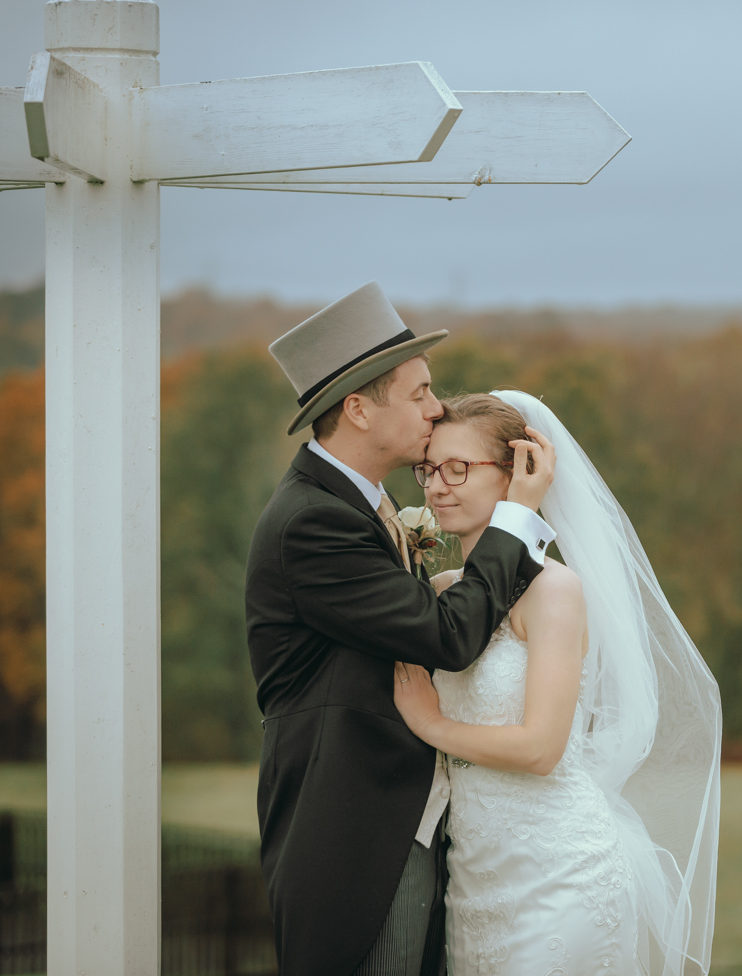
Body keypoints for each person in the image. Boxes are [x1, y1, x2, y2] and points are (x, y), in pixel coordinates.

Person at [245, 282, 558, 976]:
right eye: (418, 392)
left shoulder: (361, 507)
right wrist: (518, 518)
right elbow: (447, 637)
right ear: (357, 408)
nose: (437, 406)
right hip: (357, 834)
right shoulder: (315, 524)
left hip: (405, 827)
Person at [392, 391, 722, 976]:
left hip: (558, 876)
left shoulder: (553, 590)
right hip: (473, 880)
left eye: (459, 468)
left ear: (520, 471)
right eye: (429, 468)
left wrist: (431, 724)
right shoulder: (440, 595)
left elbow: (541, 748)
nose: (437, 486)